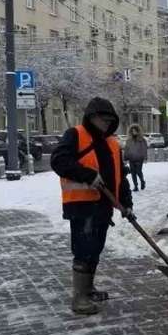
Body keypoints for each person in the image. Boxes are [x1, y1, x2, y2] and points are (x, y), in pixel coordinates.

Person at [51, 97, 133, 315]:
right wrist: (88, 175)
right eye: (103, 119)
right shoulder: (75, 135)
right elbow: (59, 161)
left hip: (103, 206)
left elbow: (120, 176)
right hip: (81, 205)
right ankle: (79, 298)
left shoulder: (112, 143)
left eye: (110, 120)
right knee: (83, 249)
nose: (106, 123)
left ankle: (88, 289)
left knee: (95, 248)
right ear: (91, 117)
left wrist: (126, 203)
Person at [124, 125, 148, 191]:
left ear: (138, 131)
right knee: (133, 173)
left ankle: (142, 181)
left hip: (139, 158)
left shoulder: (142, 140)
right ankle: (135, 186)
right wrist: (125, 158)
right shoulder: (129, 140)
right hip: (131, 158)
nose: (133, 132)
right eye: (132, 131)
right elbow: (126, 149)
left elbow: (144, 149)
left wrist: (145, 158)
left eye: (134, 131)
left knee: (138, 171)